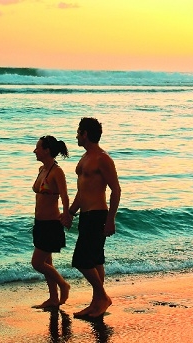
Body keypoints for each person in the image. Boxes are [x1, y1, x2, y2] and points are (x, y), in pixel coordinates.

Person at [67, 117, 121, 319]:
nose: (76, 135)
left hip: (98, 215)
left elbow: (116, 190)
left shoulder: (102, 158)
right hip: (86, 214)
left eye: (78, 132)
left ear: (85, 134)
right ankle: (96, 303)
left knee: (81, 260)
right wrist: (71, 213)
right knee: (96, 260)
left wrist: (111, 219)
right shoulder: (84, 159)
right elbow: (82, 192)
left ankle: (103, 297)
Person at [31, 135, 71, 308]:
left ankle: (64, 285)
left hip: (51, 224)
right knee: (47, 263)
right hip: (39, 223)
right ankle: (53, 298)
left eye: (38, 148)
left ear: (46, 150)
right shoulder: (41, 169)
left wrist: (67, 214)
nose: (35, 151)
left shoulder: (57, 171)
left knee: (37, 263)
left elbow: (64, 195)